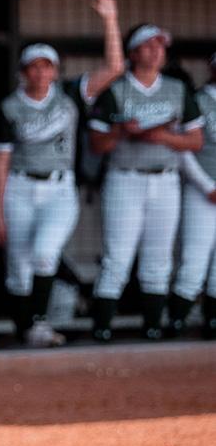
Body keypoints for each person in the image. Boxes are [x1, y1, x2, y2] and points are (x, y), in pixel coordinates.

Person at [0, 0, 123, 347]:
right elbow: (1, 159)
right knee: (18, 267)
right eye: (33, 67)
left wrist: (109, 19)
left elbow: (114, 68)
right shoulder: (9, 106)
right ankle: (26, 330)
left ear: (55, 70)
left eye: (46, 67)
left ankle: (38, 323)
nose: (40, 73)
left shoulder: (67, 94)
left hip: (60, 186)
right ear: (23, 72)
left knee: (45, 253)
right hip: (19, 186)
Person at [88, 23, 205, 341]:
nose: (156, 52)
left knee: (159, 257)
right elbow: (96, 144)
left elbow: (195, 140)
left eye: (160, 47)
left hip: (165, 179)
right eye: (148, 46)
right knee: (118, 256)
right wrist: (122, 132)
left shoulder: (176, 88)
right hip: (125, 177)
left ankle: (152, 326)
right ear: (133, 52)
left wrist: (163, 136)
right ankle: (102, 328)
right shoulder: (116, 88)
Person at [168, 53, 216, 339]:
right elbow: (183, 149)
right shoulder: (196, 99)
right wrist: (207, 186)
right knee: (194, 261)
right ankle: (176, 322)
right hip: (202, 189)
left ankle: (211, 323)